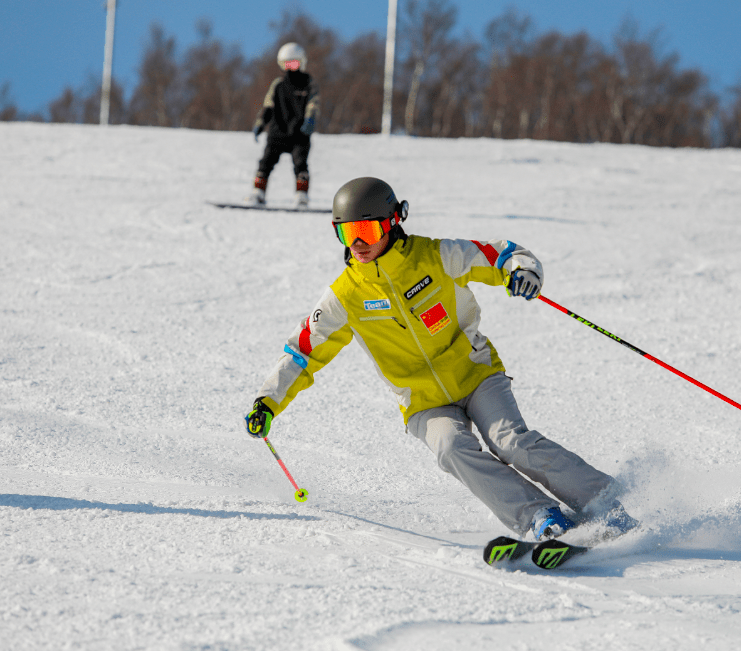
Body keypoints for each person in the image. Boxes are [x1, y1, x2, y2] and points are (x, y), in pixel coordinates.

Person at [245, 177, 638, 542]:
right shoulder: (345, 295)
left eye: (365, 230)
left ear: (392, 222)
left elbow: (498, 255)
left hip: (476, 374)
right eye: (347, 233)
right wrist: (268, 401)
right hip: (423, 402)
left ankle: (604, 500)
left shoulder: (435, 257)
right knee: (451, 449)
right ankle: (540, 517)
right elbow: (303, 351)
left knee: (510, 442)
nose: (357, 243)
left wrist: (520, 270)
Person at [251, 42, 320, 208]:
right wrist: (261, 123)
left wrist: (309, 121)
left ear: (301, 62)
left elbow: (313, 104)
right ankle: (258, 192)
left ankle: (301, 195)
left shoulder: (308, 83)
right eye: (287, 63)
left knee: (300, 163)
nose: (291, 67)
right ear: (282, 64)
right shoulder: (278, 85)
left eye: (294, 63)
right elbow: (269, 106)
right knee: (266, 162)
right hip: (277, 132)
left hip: (300, 134)